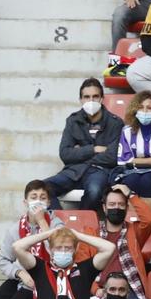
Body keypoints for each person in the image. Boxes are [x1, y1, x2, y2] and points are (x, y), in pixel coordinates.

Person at [13, 222, 117, 299]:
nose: (63, 251)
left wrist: (78, 236)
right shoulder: (41, 269)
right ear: (51, 250)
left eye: (68, 248)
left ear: (75, 249)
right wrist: (48, 234)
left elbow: (109, 248)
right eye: (58, 248)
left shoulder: (85, 269)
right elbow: (17, 247)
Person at [45, 79, 123, 207]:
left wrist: (79, 153)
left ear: (102, 99)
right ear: (80, 100)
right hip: (74, 171)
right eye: (86, 97)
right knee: (43, 188)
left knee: (94, 192)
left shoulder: (116, 123)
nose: (91, 101)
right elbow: (65, 154)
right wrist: (93, 149)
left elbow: (113, 157)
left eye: (95, 96)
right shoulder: (73, 121)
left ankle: (83, 222)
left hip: (100, 171)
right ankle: (59, 223)